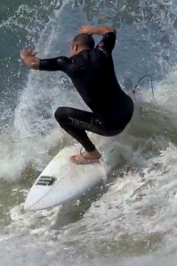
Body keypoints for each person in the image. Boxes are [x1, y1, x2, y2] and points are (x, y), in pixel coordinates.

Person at [20, 25, 134, 165]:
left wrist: (26, 57)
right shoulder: (103, 51)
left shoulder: (68, 63)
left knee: (61, 114)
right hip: (129, 110)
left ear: (75, 47)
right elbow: (110, 31)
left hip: (112, 127)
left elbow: (33, 64)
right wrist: (92, 29)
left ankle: (92, 154)